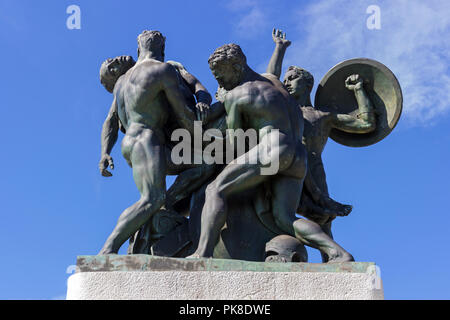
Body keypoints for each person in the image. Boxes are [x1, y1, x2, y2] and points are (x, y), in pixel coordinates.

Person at [189, 44, 353, 262]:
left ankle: (203, 253)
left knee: (215, 190)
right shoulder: (273, 81)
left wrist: (204, 138)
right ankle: (338, 253)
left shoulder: (237, 95)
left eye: (221, 75)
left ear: (237, 67)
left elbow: (236, 142)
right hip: (297, 155)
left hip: (273, 149)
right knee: (285, 219)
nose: (220, 81)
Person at [267, 29, 376, 261]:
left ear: (307, 84)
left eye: (292, 79)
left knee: (323, 220)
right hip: (284, 165)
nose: (286, 83)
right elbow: (270, 81)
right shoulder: (285, 109)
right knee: (277, 213)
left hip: (313, 168)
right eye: (285, 80)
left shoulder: (323, 115)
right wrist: (280, 48)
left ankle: (333, 261)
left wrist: (359, 90)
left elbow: (366, 123)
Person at [98, 30, 202, 254]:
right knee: (151, 199)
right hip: (147, 139)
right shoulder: (162, 70)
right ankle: (108, 249)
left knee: (204, 163)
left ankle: (170, 208)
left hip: (136, 142)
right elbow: (183, 114)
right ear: (162, 50)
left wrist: (105, 153)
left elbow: (110, 121)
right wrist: (204, 131)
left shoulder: (122, 82)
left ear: (138, 50)